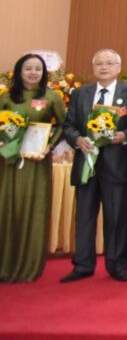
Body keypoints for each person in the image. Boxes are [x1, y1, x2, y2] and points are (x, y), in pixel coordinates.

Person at [61, 49, 127, 283]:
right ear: (93, 67)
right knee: (84, 216)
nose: (104, 67)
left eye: (109, 63)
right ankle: (83, 264)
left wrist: (124, 135)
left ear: (118, 68)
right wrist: (78, 139)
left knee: (116, 217)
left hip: (117, 164)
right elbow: (68, 125)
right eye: (99, 64)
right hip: (86, 163)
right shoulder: (80, 93)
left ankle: (117, 265)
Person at [0, 53, 66, 283]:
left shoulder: (51, 96)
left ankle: (28, 264)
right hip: (7, 162)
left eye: (38, 69)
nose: (33, 73)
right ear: (19, 71)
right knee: (6, 206)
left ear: (44, 73)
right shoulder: (7, 96)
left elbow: (64, 125)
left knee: (33, 207)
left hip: (37, 162)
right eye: (28, 68)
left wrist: (50, 145)